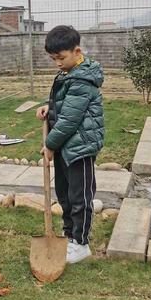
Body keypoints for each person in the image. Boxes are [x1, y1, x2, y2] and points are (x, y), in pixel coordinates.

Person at [36, 25, 104, 264]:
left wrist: (51, 144)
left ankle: (81, 243)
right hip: (68, 147)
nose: (57, 63)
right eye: (53, 59)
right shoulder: (68, 73)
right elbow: (63, 104)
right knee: (64, 194)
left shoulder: (83, 79)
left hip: (80, 148)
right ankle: (68, 236)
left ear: (77, 51)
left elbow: (70, 120)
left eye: (61, 58)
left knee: (80, 197)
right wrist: (49, 106)